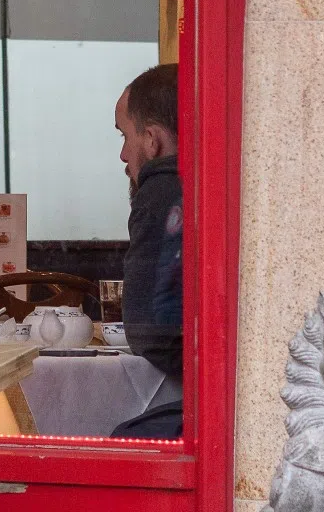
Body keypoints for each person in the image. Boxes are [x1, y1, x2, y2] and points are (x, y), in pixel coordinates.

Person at [111, 62, 183, 439]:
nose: (124, 155)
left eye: (124, 136)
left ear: (151, 140)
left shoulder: (158, 190)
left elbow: (146, 331)